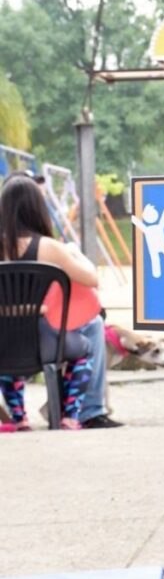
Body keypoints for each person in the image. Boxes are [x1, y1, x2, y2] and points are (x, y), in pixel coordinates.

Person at [0, 176, 101, 431]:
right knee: (84, 349)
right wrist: (76, 253)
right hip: (44, 341)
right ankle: (69, 416)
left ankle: (19, 417)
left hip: (2, 342)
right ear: (38, 208)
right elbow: (91, 279)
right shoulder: (50, 248)